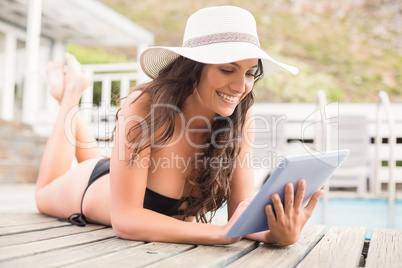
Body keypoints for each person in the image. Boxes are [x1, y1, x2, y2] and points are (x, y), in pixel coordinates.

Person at [35, 6, 323, 246]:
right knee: (43, 192)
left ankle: (69, 96)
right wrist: (219, 233)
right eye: (227, 69)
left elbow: (241, 216)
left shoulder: (239, 117)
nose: (240, 86)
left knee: (102, 158)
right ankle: (70, 93)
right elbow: (125, 221)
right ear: (193, 66)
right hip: (90, 187)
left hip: (124, 172)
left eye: (250, 73)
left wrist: (278, 233)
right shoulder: (145, 105)